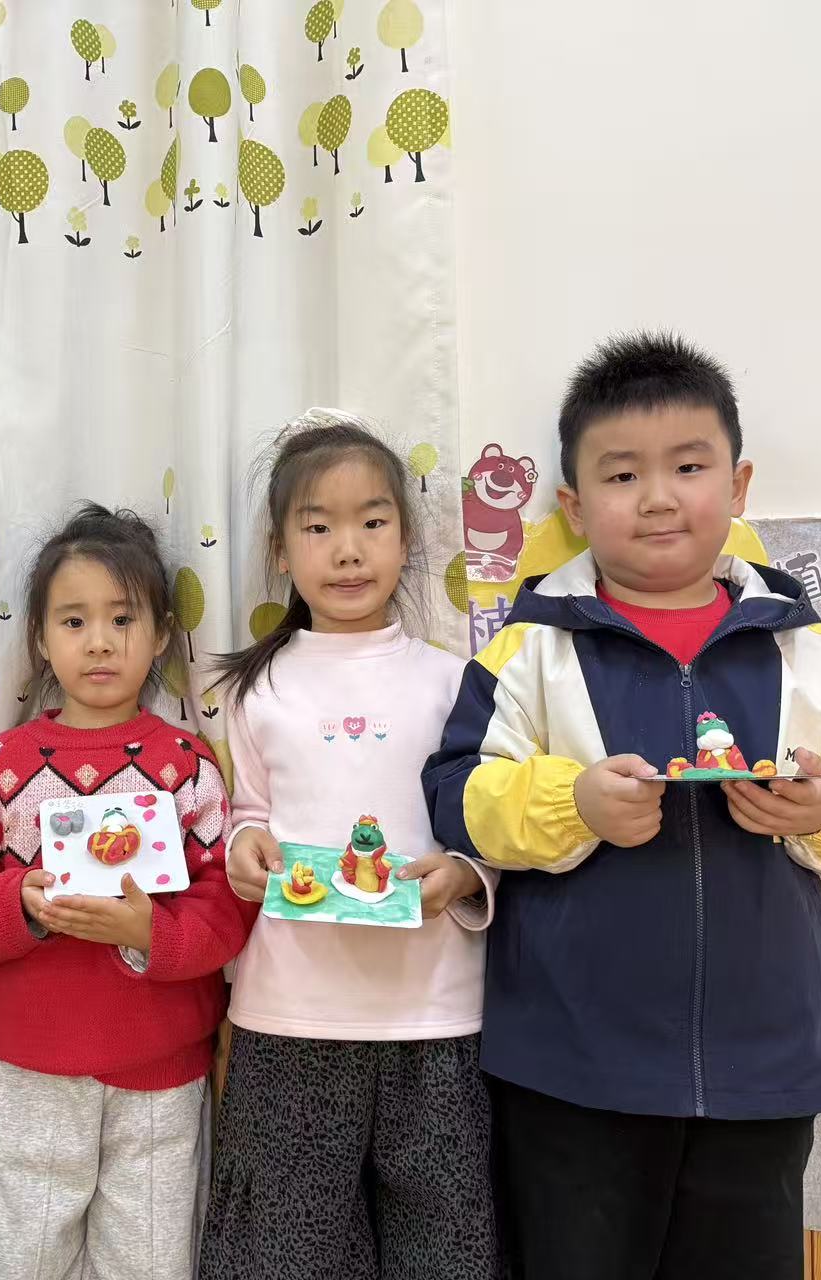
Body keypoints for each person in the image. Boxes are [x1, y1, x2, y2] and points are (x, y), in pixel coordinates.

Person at [424, 333, 821, 1279]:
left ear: (737, 488)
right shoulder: (529, 649)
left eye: (688, 467)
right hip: (573, 1062)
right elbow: (456, 797)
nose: (658, 497)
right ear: (575, 507)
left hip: (766, 1058)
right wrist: (573, 803)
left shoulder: (807, 651)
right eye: (622, 475)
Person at [0, 502, 252, 1280]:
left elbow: (224, 903)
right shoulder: (2, 763)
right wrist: (20, 906)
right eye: (73, 621)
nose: (99, 641)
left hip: (161, 1071)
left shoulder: (185, 764)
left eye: (122, 619)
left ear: (160, 635)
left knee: (151, 1263)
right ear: (39, 638)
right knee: (15, 1260)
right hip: (30, 1065)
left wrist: (149, 933)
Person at [200, 413, 503, 1280]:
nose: (347, 550)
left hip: (435, 1011)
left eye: (372, 522)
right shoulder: (253, 687)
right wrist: (246, 846)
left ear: (405, 539)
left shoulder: (454, 681)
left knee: (447, 1248)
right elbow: (249, 811)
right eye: (317, 527)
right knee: (282, 1251)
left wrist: (464, 875)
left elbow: (487, 826)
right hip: (288, 1011)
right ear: (279, 549)